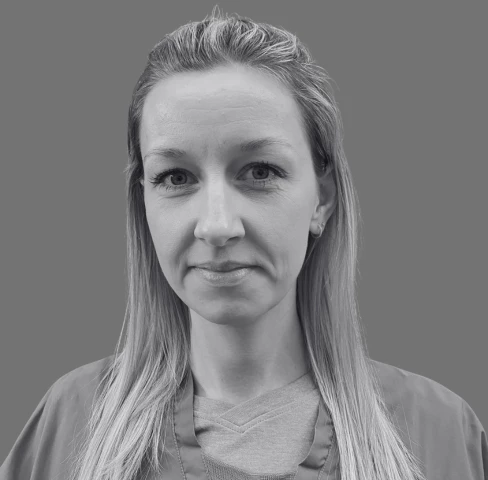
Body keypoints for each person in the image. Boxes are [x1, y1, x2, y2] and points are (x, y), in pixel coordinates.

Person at [1, 6, 486, 480]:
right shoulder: (70, 423)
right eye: (175, 177)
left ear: (322, 198)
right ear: (143, 200)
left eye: (260, 172)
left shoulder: (440, 432)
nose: (216, 226)